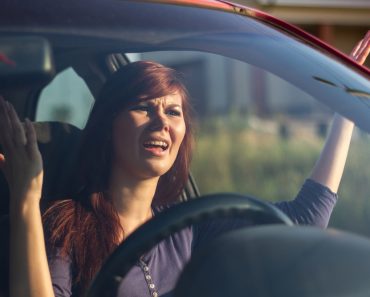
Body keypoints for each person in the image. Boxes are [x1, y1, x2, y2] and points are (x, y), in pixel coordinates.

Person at [1, 32, 369, 297]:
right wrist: (25, 196)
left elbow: (305, 218)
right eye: (143, 106)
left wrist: (344, 112)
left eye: (173, 112)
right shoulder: (65, 224)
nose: (162, 122)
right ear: (107, 124)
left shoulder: (187, 228)